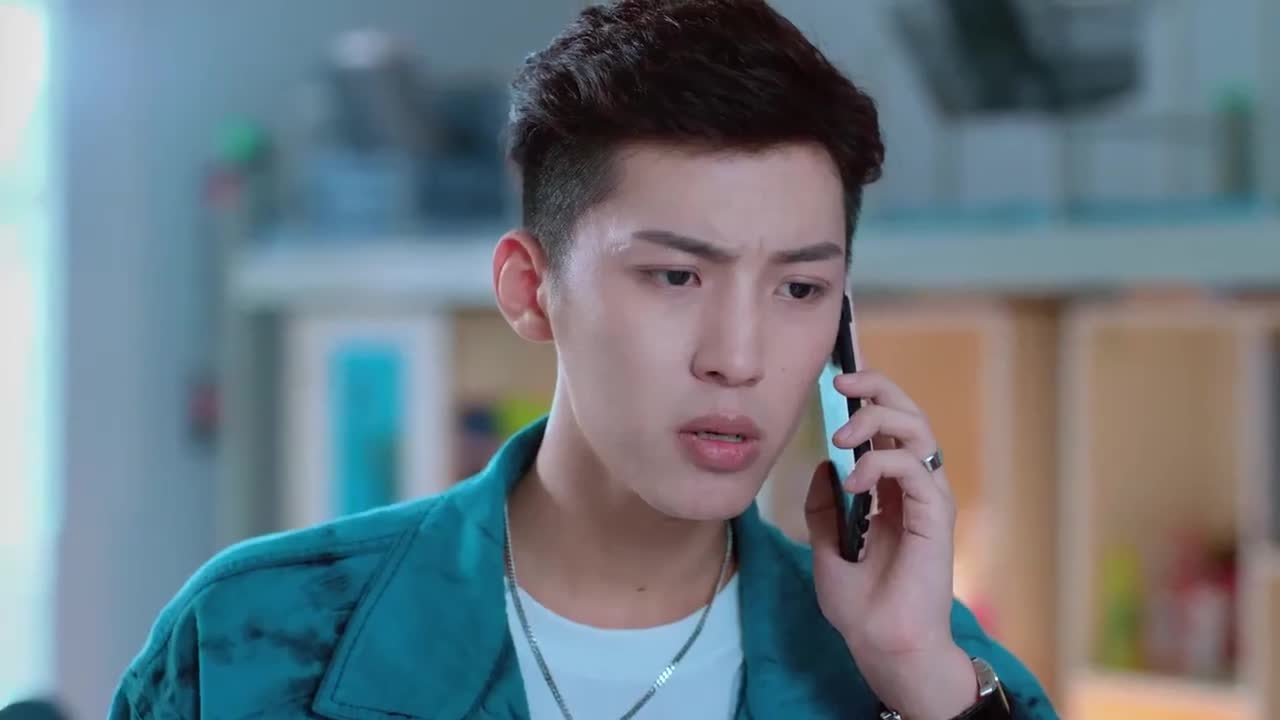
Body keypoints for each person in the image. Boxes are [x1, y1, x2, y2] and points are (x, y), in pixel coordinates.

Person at [111, 1, 1057, 718]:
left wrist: (917, 678)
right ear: (531, 289)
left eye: (800, 290)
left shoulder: (928, 667)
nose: (738, 358)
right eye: (676, 276)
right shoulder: (254, 642)